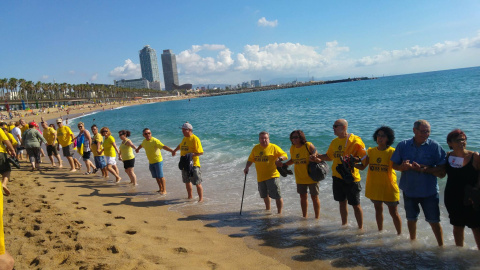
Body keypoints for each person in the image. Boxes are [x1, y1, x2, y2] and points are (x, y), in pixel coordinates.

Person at [391, 120, 446, 246]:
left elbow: (442, 170)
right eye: (422, 131)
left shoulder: (434, 146)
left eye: (428, 131)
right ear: (414, 130)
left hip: (429, 191)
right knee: (411, 219)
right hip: (409, 190)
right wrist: (402, 167)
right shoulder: (403, 145)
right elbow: (394, 164)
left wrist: (423, 169)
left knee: (434, 221)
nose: (425, 134)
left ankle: (441, 246)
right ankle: (413, 244)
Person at [313, 119, 367, 229]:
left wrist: (353, 160)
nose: (333, 128)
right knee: (341, 202)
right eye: (333, 126)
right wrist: (317, 156)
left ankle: (360, 228)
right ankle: (344, 225)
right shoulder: (335, 142)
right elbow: (329, 157)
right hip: (337, 177)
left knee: (356, 205)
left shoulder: (355, 140)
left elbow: (364, 158)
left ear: (343, 127)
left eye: (335, 126)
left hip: (351, 178)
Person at [355, 126, 402, 234]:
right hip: (375, 186)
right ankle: (380, 232)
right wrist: (350, 164)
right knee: (378, 210)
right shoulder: (371, 151)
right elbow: (362, 166)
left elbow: (399, 167)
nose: (380, 138)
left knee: (394, 213)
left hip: (389, 187)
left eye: (383, 136)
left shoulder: (392, 152)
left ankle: (399, 234)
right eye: (378, 135)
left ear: (388, 138)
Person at [443, 129, 480, 249]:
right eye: (458, 140)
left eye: (464, 139)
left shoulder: (475, 156)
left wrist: (476, 191)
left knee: (476, 227)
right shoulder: (448, 156)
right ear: (450, 143)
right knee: (457, 226)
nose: (462, 142)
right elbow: (440, 172)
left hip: (472, 198)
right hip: (452, 196)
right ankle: (460, 255)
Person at [244, 131, 288, 214]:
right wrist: (247, 167)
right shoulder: (256, 148)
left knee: (277, 196)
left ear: (269, 139)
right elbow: (250, 159)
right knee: (265, 195)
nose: (264, 140)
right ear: (259, 139)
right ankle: (268, 210)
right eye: (262, 138)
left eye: (265, 138)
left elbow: (285, 155)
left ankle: (279, 213)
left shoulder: (274, 147)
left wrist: (280, 159)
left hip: (272, 176)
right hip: (260, 177)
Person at [284, 130, 321, 219]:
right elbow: (293, 160)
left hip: (312, 176)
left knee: (314, 197)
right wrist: (284, 164)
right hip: (300, 177)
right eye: (292, 138)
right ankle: (304, 216)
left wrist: (314, 158)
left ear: (301, 137)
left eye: (296, 137)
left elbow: (319, 159)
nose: (294, 139)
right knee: (303, 197)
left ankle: (317, 218)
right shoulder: (292, 148)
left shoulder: (308, 145)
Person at [173, 122, 205, 202]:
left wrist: (190, 155)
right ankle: (190, 197)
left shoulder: (195, 139)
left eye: (184, 130)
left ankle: (200, 199)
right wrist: (175, 150)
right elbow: (180, 145)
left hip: (193, 164)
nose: (182, 132)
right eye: (182, 130)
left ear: (190, 130)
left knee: (197, 182)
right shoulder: (184, 138)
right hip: (184, 164)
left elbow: (201, 152)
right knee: (186, 181)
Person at [0, 128, 15, 269]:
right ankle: (4, 182)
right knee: (8, 262)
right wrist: (12, 150)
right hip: (1, 153)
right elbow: (7, 141)